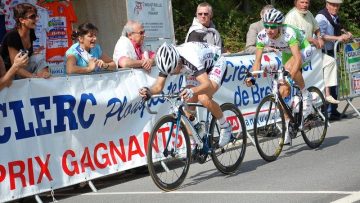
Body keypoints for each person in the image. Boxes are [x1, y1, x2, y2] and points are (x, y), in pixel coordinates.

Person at [139, 42, 232, 147]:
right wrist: (149, 91)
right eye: (168, 72)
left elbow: (207, 84)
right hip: (196, 70)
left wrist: (192, 91)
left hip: (215, 62)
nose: (172, 74)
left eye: (173, 70)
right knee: (187, 102)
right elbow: (158, 87)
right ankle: (196, 133)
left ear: (178, 61)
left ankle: (225, 126)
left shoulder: (190, 58)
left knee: (203, 97)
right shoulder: (167, 62)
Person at [245, 8, 313, 145]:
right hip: (287, 53)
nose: (269, 30)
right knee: (282, 93)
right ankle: (288, 128)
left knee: (288, 70)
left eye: (273, 27)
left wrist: (288, 77)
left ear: (280, 26)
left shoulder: (288, 33)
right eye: (266, 26)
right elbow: (257, 61)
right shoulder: (262, 36)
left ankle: (306, 93)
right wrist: (253, 77)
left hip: (303, 49)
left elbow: (298, 59)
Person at [284, 0, 340, 106]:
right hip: (295, 55)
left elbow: (317, 28)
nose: (305, 5)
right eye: (302, 2)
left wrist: (318, 37)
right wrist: (310, 39)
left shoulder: (309, 13)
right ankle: (293, 114)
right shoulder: (291, 17)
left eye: (307, 2)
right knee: (293, 87)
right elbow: (290, 37)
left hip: (309, 53)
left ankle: (327, 94)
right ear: (295, 3)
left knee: (330, 61)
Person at [315, 0, 353, 120]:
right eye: (333, 5)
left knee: (334, 80)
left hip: (332, 51)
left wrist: (347, 34)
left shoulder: (334, 16)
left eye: (337, 5)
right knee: (326, 80)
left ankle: (334, 109)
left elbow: (338, 29)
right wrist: (338, 38)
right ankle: (326, 111)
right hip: (324, 52)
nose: (335, 7)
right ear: (327, 5)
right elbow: (321, 35)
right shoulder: (321, 17)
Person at [0, 3, 49, 79]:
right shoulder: (12, 36)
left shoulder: (31, 31)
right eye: (32, 17)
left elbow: (26, 55)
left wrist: (32, 53)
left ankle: (43, 80)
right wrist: (33, 77)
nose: (36, 19)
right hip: (9, 73)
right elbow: (15, 66)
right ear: (22, 20)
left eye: (36, 15)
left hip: (22, 69)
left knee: (39, 58)